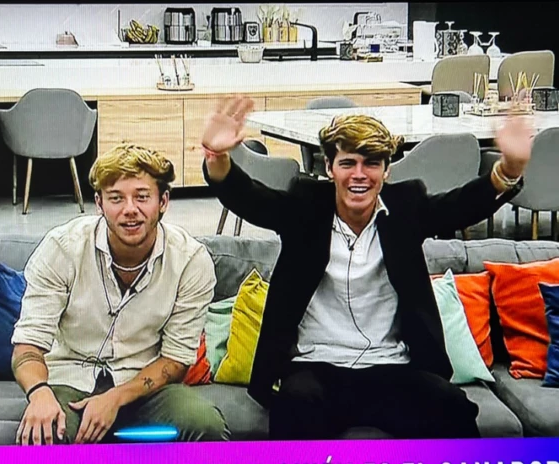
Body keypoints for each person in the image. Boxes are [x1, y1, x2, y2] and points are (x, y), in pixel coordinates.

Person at [201, 96, 532, 440]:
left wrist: (508, 170)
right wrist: (217, 158)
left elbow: (460, 206)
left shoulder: (406, 207)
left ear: (386, 170)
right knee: (296, 404)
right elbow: (250, 198)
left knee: (452, 406)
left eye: (371, 163)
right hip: (316, 368)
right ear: (329, 167)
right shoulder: (305, 205)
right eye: (348, 163)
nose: (359, 175)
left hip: (391, 367)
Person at [11, 143, 230, 445]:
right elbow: (28, 346)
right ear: (99, 204)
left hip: (144, 386)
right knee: (46, 434)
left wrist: (115, 398)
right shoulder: (62, 248)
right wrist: (39, 394)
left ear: (163, 201)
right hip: (69, 379)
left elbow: (176, 360)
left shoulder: (190, 261)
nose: (130, 209)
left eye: (142, 197)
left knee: (205, 424)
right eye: (116, 198)